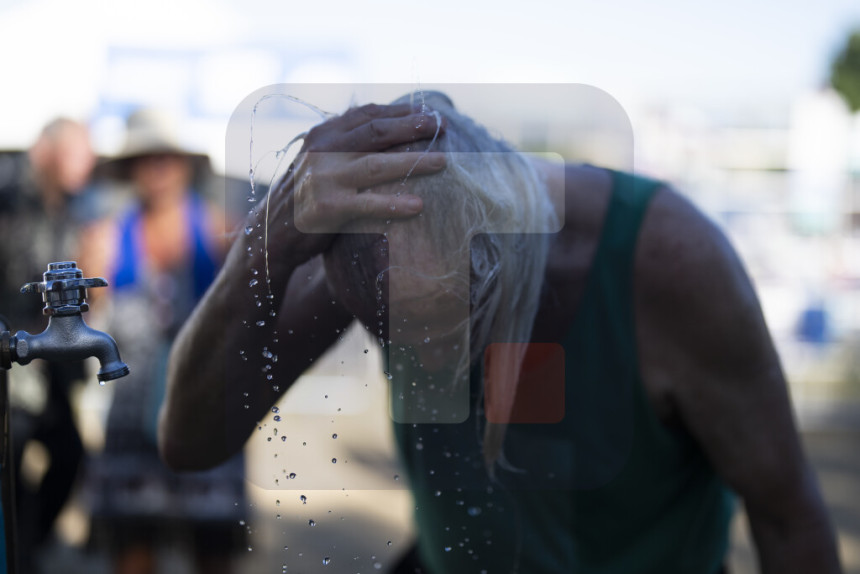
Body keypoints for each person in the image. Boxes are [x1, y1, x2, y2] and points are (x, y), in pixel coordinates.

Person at [159, 92, 842, 573]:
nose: (429, 365)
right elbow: (189, 443)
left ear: (515, 246)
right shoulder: (360, 247)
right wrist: (262, 245)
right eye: (392, 337)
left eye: (456, 327)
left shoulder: (670, 265)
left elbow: (788, 517)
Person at [80, 108, 244, 574]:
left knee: (213, 551)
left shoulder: (220, 232)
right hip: (132, 420)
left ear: (185, 164)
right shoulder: (106, 240)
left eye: (166, 157)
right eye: (146, 158)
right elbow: (85, 321)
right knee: (133, 552)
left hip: (208, 412)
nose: (157, 168)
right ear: (131, 167)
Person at [0, 117, 97, 573]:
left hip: (46, 361)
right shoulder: (10, 195)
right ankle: (18, 550)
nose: (88, 161)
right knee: (11, 453)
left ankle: (29, 546)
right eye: (77, 151)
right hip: (10, 352)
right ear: (49, 151)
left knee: (69, 453)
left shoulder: (69, 208)